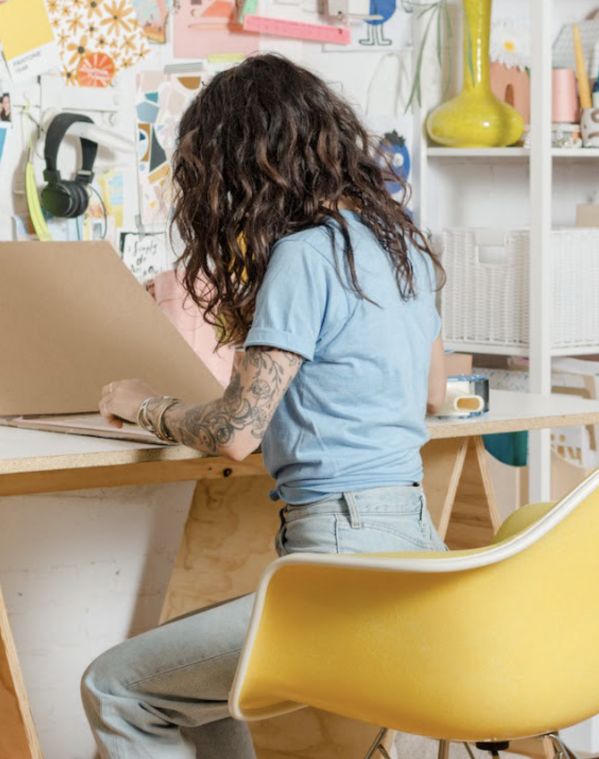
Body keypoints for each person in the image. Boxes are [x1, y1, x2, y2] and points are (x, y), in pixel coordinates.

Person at [82, 52, 447, 759]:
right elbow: (432, 391)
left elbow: (236, 431)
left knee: (117, 687)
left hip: (340, 563)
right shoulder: (399, 243)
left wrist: (143, 404)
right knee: (203, 692)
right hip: (415, 551)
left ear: (249, 165)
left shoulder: (306, 254)